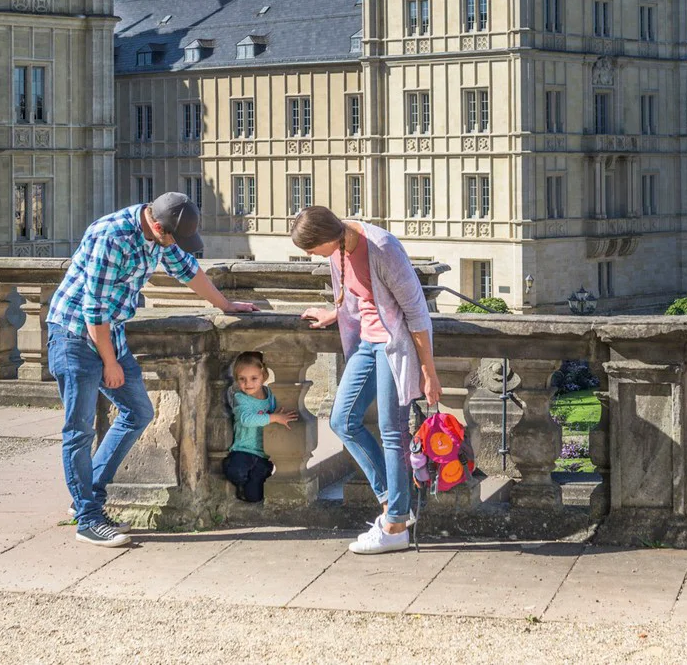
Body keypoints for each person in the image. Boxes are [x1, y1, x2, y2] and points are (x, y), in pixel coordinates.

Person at [48, 192, 259, 547]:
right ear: (157, 224)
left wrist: (226, 304)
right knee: (79, 431)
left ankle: (88, 496)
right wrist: (110, 363)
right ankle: (87, 519)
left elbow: (188, 270)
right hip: (74, 336)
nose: (176, 244)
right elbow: (93, 309)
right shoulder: (110, 236)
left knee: (138, 412)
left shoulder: (160, 234)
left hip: (108, 333)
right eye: (174, 237)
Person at [292, 206, 441, 555]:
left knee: (394, 431)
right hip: (366, 343)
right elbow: (359, 298)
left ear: (327, 237)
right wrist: (335, 312)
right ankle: (392, 502)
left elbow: (417, 312)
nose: (311, 256)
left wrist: (428, 372)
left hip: (395, 345)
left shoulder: (382, 247)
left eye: (311, 248)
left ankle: (396, 524)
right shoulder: (338, 250)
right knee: (342, 420)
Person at [224, 350, 298, 503]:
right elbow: (246, 419)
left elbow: (277, 411)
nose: (248, 384)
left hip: (264, 454)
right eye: (242, 379)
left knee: (254, 496)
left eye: (253, 378)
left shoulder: (270, 395)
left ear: (263, 376)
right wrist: (274, 417)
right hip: (243, 450)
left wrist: (279, 416)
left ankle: (248, 488)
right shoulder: (241, 399)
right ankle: (239, 479)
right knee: (235, 472)